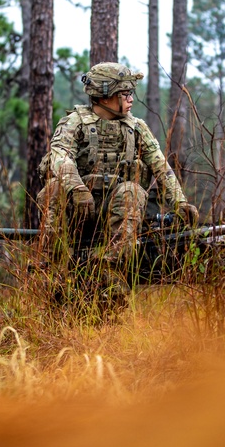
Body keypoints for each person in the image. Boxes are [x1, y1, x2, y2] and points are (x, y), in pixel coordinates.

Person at [38, 62, 198, 302]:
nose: (131, 99)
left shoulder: (136, 128)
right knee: (53, 189)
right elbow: (60, 158)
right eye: (125, 94)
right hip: (79, 208)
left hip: (119, 210)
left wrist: (180, 203)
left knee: (133, 191)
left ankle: (109, 272)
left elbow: (160, 167)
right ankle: (50, 272)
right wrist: (78, 189)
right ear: (104, 95)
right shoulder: (74, 123)